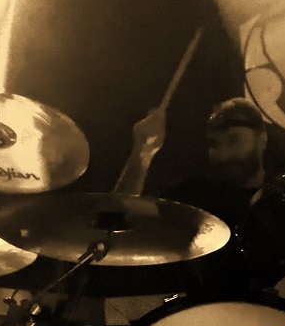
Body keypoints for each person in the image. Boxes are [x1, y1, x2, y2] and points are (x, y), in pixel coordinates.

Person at [112, 97, 273, 296]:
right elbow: (117, 216)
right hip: (207, 313)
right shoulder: (192, 194)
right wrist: (141, 153)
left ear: (262, 140)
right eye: (214, 144)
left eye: (233, 140)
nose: (223, 153)